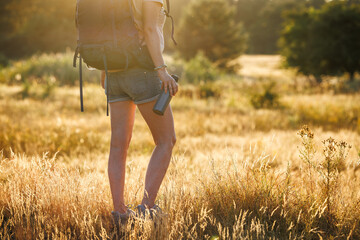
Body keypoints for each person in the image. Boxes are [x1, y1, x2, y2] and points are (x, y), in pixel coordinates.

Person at [100, 0, 178, 224]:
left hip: (114, 71)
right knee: (166, 140)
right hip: (142, 70)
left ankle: (120, 214)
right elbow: (150, 29)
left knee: (118, 145)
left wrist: (104, 71)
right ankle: (146, 208)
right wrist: (161, 72)